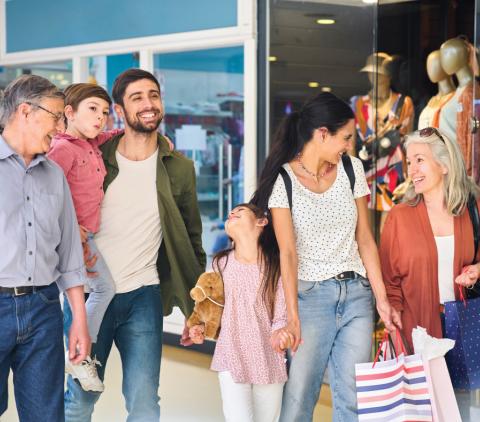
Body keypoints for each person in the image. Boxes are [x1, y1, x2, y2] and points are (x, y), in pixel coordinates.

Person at [63, 69, 206, 421]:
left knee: (145, 402)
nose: (148, 104)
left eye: (153, 95)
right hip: (90, 295)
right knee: (80, 400)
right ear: (120, 109)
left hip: (144, 295)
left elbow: (191, 239)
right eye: (137, 97)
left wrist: (196, 309)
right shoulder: (96, 155)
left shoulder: (179, 167)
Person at [251, 92, 401, 422]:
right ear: (322, 134)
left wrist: (382, 300)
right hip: (310, 299)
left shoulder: (352, 169)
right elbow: (288, 253)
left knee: (353, 398)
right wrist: (292, 316)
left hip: (357, 297)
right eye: (346, 137)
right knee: (300, 397)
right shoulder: (284, 181)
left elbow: (365, 238)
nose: (350, 144)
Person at [0, 75, 90, 422]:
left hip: (43, 308)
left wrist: (78, 320)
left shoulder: (53, 175)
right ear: (25, 111)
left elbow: (69, 252)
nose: (60, 126)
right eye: (55, 116)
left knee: (45, 415)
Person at [379, 127, 480, 419]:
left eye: (419, 160)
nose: (412, 169)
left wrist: (476, 270)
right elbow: (390, 282)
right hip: (417, 332)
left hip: (461, 330)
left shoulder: (468, 210)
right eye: (409, 162)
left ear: (444, 165)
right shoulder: (399, 217)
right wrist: (395, 328)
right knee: (421, 412)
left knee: (459, 411)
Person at [47, 83, 122, 392]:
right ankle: (79, 356)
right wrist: (73, 231)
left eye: (104, 113)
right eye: (92, 109)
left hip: (86, 235)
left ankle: (78, 355)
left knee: (92, 292)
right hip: (74, 236)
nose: (100, 118)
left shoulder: (90, 144)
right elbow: (46, 193)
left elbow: (109, 136)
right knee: (104, 289)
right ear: (69, 112)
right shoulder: (62, 149)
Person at [189, 203, 291, 422]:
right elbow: (209, 308)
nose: (231, 214)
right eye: (229, 214)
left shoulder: (277, 266)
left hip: (269, 358)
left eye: (239, 211)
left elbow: (281, 315)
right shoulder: (220, 264)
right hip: (231, 355)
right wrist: (199, 326)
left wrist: (281, 334)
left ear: (261, 222)